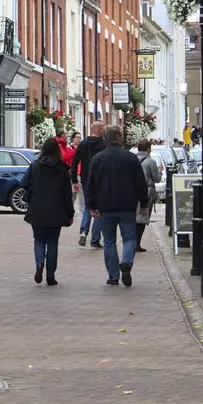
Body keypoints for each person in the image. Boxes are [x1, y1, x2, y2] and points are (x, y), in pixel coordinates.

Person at [84, 125, 150, 287]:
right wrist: (144, 203)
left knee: (109, 241)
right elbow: (140, 183)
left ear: (105, 138)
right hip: (127, 204)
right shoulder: (130, 158)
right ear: (120, 138)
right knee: (129, 238)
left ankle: (113, 276)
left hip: (105, 205)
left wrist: (92, 205)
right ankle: (126, 262)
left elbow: (91, 184)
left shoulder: (98, 158)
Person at [21, 137, 74, 285]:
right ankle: (50, 275)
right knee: (52, 242)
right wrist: (70, 213)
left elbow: (24, 183)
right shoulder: (61, 168)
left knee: (38, 239)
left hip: (37, 208)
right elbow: (67, 194)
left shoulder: (35, 165)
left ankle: (39, 264)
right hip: (56, 209)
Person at [72, 121, 108, 247]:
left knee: (88, 205)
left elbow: (74, 162)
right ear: (99, 130)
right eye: (103, 128)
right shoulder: (104, 144)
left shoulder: (82, 144)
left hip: (86, 179)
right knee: (99, 208)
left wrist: (74, 180)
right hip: (100, 180)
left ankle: (83, 232)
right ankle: (95, 239)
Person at [135, 139, 162, 253]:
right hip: (147, 190)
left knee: (133, 216)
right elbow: (157, 178)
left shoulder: (133, 159)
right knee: (143, 216)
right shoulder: (150, 162)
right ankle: (137, 243)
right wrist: (160, 171)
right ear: (148, 149)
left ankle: (132, 241)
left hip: (133, 190)